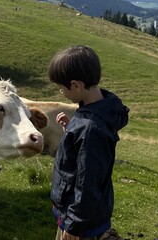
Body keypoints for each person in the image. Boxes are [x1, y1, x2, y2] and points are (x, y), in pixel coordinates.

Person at [48, 45, 129, 240]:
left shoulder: (90, 128)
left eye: (61, 87)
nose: (60, 92)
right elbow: (85, 153)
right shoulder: (94, 112)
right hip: (76, 215)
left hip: (81, 224)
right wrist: (71, 131)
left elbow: (88, 183)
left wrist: (74, 226)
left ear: (76, 85)